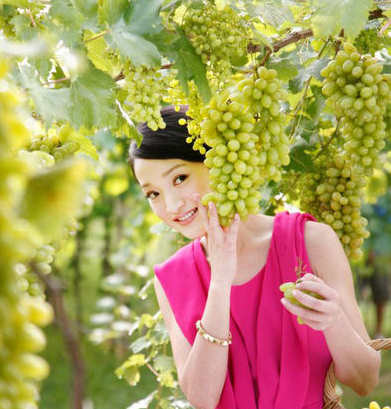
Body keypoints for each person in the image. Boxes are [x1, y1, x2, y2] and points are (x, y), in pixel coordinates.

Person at [127, 105, 380, 409]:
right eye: (152, 193)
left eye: (179, 178)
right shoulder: (172, 278)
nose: (170, 205)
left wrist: (334, 320)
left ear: (218, 162)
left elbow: (365, 381)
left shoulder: (310, 240)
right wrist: (219, 281)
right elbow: (203, 399)